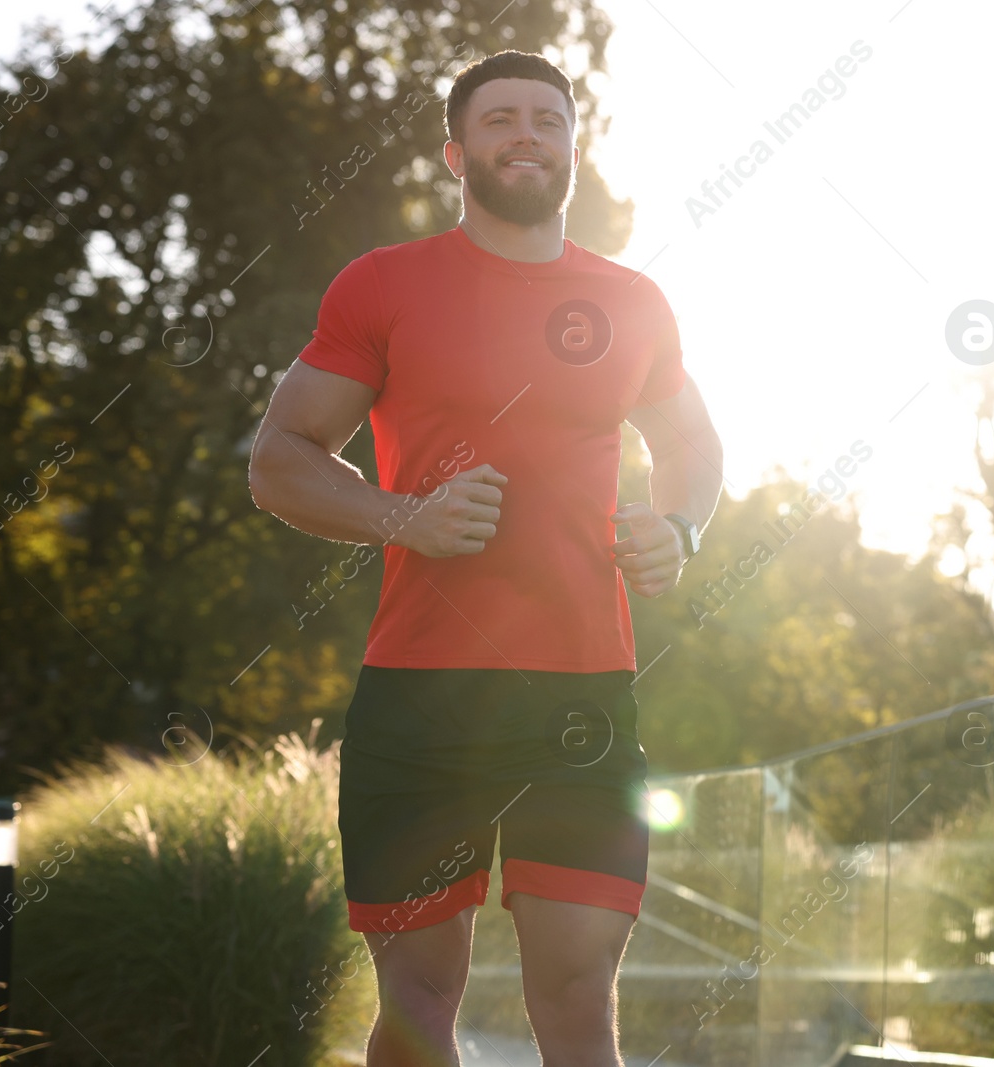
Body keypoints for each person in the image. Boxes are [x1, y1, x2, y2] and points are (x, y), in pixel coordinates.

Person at [248, 48, 722, 1067]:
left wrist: (676, 527)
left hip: (583, 701)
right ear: (456, 152)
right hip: (422, 695)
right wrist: (404, 516)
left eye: (547, 120)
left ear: (572, 150)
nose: (526, 135)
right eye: (500, 119)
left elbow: (693, 446)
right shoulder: (382, 284)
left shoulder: (633, 301)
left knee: (577, 989)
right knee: (419, 1000)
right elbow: (279, 459)